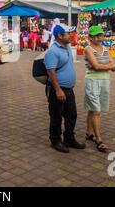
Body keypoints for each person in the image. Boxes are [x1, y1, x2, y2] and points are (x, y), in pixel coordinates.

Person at [44, 24, 86, 153]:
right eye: (68, 33)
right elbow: (51, 72)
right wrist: (58, 90)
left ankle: (69, 138)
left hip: (68, 89)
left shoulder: (67, 47)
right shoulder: (53, 51)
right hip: (58, 89)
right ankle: (55, 140)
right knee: (56, 116)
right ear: (60, 36)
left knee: (71, 114)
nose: (70, 35)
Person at [84, 25, 115, 152]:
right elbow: (96, 67)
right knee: (96, 111)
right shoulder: (88, 49)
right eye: (96, 36)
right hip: (92, 81)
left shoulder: (105, 48)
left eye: (101, 35)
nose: (99, 38)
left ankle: (88, 132)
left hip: (104, 81)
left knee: (93, 109)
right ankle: (99, 140)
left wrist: (102, 65)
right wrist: (106, 65)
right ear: (90, 38)